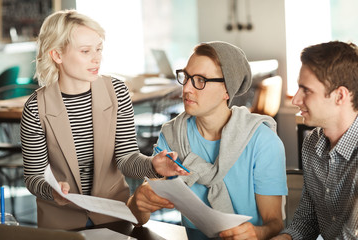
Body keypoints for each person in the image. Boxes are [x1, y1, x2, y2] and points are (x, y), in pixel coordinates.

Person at [20, 9, 187, 230]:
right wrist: (50, 190)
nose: (96, 58)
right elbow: (34, 176)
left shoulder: (117, 92)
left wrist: (152, 166)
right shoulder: (35, 108)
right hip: (60, 222)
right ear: (57, 55)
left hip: (113, 214)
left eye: (99, 49)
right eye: (85, 51)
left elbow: (126, 159)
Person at [128, 41, 288, 239]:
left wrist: (256, 233)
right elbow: (138, 218)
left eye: (200, 80)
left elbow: (274, 224)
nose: (186, 88)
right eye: (186, 77)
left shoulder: (263, 142)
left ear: (227, 91)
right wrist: (138, 202)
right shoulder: (172, 135)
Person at [272, 41, 358, 239]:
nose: (295, 100)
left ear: (339, 96)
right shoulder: (312, 143)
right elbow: (307, 219)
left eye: (306, 90)